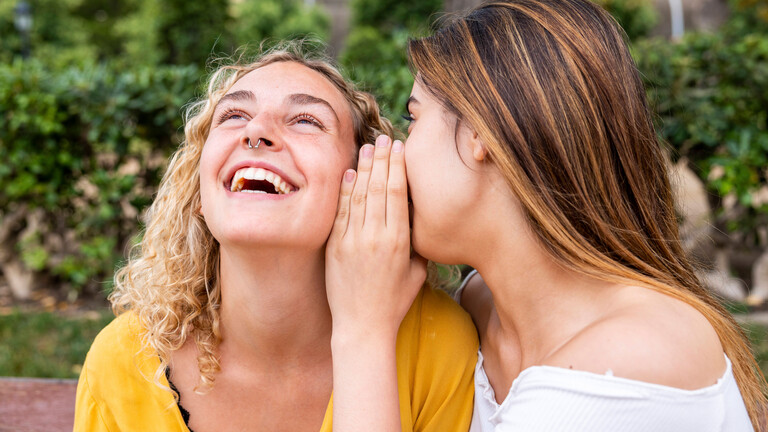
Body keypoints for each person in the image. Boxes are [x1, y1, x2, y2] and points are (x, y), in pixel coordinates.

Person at [329, 0, 768, 430]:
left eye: (413, 118)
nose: (398, 150)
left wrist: (362, 329)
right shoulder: (481, 304)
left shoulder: (628, 361)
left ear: (481, 132)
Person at [73, 42, 478, 432]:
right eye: (233, 115)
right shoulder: (124, 361)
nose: (256, 131)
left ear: (366, 183)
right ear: (197, 191)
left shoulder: (436, 345)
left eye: (306, 120)